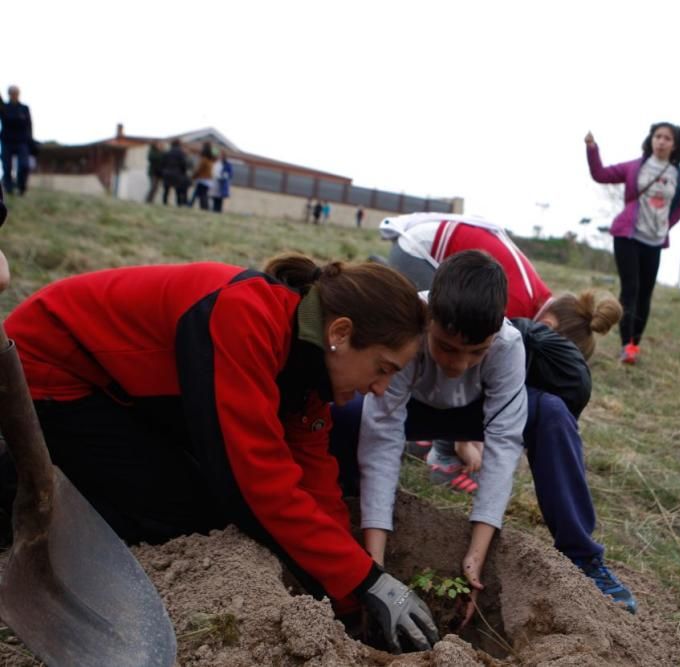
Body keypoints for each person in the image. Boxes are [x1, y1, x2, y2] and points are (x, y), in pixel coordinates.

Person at [0, 255, 439, 653]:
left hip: (124, 395)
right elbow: (258, 486)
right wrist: (368, 581)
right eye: (382, 368)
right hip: (48, 372)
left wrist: (351, 600)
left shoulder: (308, 380)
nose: (380, 389)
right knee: (187, 515)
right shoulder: (245, 314)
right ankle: (19, 492)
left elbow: (316, 486)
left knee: (201, 499)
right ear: (340, 333)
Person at [330, 250, 637, 618]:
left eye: (476, 352)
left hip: (473, 415)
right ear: (429, 321)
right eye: (445, 347)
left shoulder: (508, 345)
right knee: (347, 412)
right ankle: (345, 515)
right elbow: (382, 437)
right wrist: (375, 564)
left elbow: (503, 447)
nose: (458, 365)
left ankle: (583, 557)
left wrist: (475, 557)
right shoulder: (408, 323)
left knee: (552, 412)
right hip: (414, 410)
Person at [380, 212, 622, 359]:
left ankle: (389, 277)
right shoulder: (513, 305)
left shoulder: (534, 299)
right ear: (548, 326)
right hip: (417, 252)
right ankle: (392, 281)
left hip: (431, 250)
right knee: (434, 331)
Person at [585, 122, 680, 364]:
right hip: (628, 236)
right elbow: (600, 174)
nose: (661, 141)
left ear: (675, 145)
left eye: (667, 138)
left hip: (654, 240)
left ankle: (635, 344)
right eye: (658, 136)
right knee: (630, 289)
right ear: (651, 140)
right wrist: (592, 149)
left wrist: (667, 224)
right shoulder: (636, 167)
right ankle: (626, 346)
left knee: (645, 294)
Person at [0, 86, 34, 197]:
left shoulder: (24, 108)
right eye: (12, 93)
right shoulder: (4, 107)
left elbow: (29, 125)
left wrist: (30, 140)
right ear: (9, 94)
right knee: (7, 166)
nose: (14, 95)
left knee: (24, 165)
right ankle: (9, 189)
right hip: (7, 141)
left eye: (16, 93)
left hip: (22, 141)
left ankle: (21, 188)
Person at [160, 139, 190, 206]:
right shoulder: (181, 153)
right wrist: (183, 172)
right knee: (178, 190)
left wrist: (163, 171)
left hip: (167, 172)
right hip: (177, 173)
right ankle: (179, 204)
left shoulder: (167, 152)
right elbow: (184, 164)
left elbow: (162, 163)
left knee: (166, 190)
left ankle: (164, 203)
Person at [188, 142, 216, 211]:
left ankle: (192, 205)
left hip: (203, 179)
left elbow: (199, 170)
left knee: (201, 194)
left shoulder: (204, 160)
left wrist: (193, 176)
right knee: (201, 194)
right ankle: (202, 207)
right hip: (208, 180)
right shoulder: (211, 159)